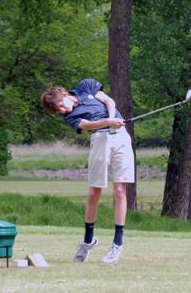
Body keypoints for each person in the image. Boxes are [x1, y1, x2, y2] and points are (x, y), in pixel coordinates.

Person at [40, 78, 134, 264]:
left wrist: (113, 120)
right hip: (99, 139)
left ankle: (117, 245)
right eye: (57, 110)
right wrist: (108, 121)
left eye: (60, 105)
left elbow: (109, 101)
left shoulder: (86, 87)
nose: (61, 110)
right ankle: (88, 240)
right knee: (94, 192)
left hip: (121, 137)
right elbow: (87, 126)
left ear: (65, 95)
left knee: (119, 191)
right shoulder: (70, 116)